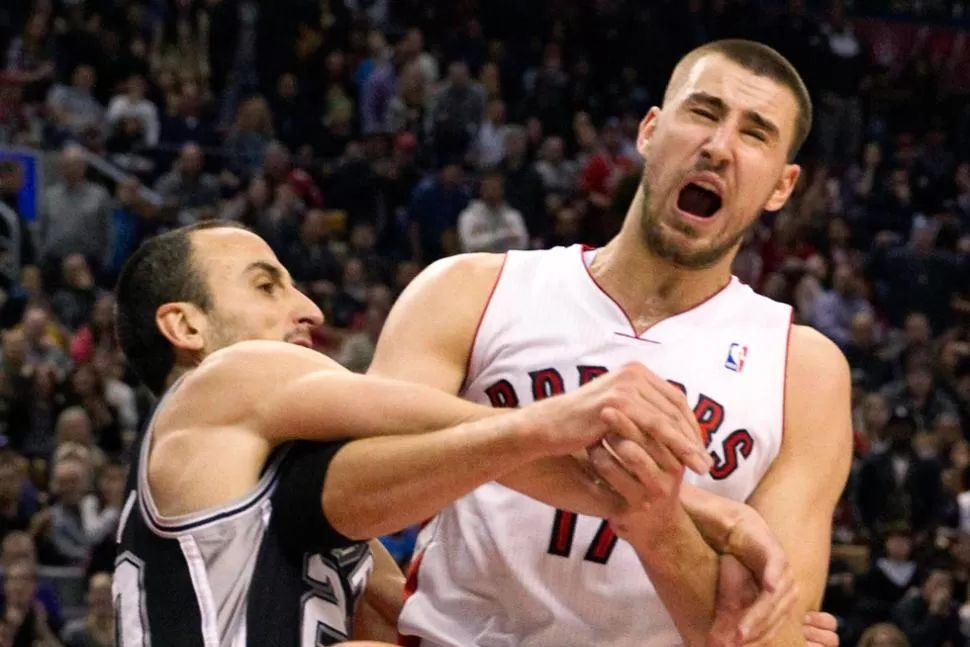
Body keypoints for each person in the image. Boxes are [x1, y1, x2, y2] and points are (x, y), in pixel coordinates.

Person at [362, 39, 852, 647]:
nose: (719, 147)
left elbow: (770, 638)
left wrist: (660, 524)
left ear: (783, 186)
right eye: (702, 112)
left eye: (754, 134)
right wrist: (553, 430)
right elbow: (351, 495)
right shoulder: (470, 289)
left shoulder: (803, 369)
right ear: (650, 131)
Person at [110, 220, 732, 646]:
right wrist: (710, 515)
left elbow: (426, 629)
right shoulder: (222, 379)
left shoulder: (286, 513)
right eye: (267, 286)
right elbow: (479, 429)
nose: (309, 309)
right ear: (185, 326)